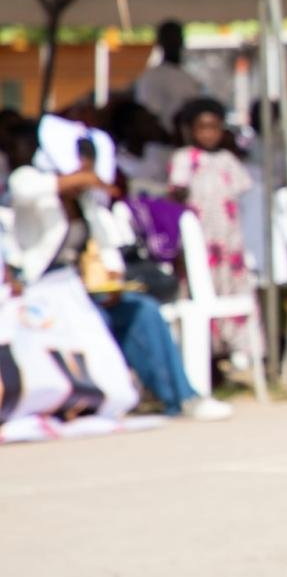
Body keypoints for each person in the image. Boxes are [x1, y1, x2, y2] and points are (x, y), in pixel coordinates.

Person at [5, 117, 231, 420]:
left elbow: (106, 245)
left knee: (143, 311)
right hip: (39, 295)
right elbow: (27, 191)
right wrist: (80, 181)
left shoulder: (87, 203)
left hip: (80, 291)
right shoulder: (31, 180)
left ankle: (182, 397)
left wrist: (114, 276)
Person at [168, 98, 259, 360]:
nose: (208, 134)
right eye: (202, 127)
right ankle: (204, 355)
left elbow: (242, 195)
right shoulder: (184, 159)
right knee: (199, 290)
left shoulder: (228, 159)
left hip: (228, 240)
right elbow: (176, 196)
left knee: (231, 289)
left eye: (214, 127)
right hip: (199, 240)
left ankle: (235, 350)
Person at [133, 20, 204, 133]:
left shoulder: (188, 77)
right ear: (160, 43)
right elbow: (147, 118)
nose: (174, 43)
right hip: (161, 148)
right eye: (170, 39)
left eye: (177, 38)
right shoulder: (151, 77)